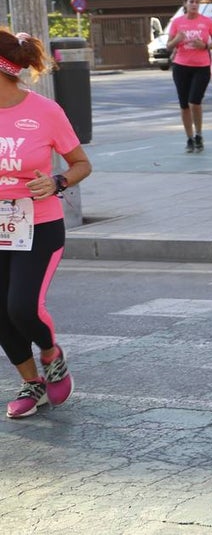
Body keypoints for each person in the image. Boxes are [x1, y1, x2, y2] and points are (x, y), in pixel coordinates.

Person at [0, 29, 92, 419]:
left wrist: (55, 181)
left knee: (22, 306)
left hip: (39, 225)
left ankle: (51, 354)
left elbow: (81, 164)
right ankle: (31, 384)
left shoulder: (45, 112)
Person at [166, 0, 212, 152]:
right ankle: (189, 138)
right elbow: (169, 45)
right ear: (185, 4)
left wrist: (204, 46)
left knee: (194, 101)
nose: (195, 5)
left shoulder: (207, 22)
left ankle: (199, 134)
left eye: (197, 2)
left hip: (201, 66)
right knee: (184, 105)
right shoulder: (177, 22)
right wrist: (178, 39)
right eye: (192, 2)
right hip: (181, 66)